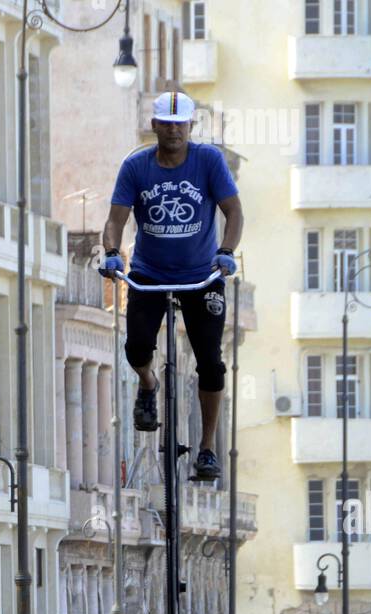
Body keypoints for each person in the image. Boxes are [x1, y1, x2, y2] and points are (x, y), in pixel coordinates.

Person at [101, 90, 244, 482]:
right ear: (155, 126)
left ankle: (207, 448)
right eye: (167, 124)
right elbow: (115, 219)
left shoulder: (208, 161)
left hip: (202, 276)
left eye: (181, 124)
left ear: (191, 127)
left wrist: (226, 250)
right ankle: (148, 385)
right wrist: (113, 252)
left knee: (211, 363)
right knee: (135, 348)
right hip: (149, 274)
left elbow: (233, 211)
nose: (174, 131)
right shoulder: (136, 166)